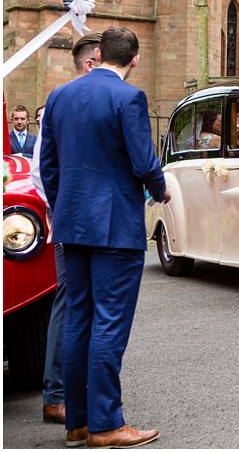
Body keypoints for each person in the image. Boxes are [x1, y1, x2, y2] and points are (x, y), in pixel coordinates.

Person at [40, 27, 169, 448]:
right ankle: (106, 424)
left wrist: (64, 210)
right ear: (134, 59)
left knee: (79, 319)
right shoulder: (128, 97)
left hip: (72, 224)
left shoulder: (60, 96)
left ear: (97, 53)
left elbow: (50, 165)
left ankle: (77, 422)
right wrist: (159, 187)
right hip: (114, 226)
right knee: (110, 322)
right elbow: (143, 160)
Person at [33, 32, 102, 426]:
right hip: (71, 218)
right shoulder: (63, 101)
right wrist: (60, 212)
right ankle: (56, 393)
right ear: (92, 61)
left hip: (83, 217)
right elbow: (44, 168)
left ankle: (74, 390)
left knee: (87, 304)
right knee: (72, 301)